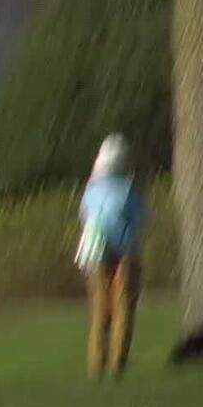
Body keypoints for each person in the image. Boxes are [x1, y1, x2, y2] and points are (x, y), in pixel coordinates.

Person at [77, 134, 147, 379]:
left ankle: (96, 364)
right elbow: (142, 219)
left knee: (99, 309)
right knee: (123, 307)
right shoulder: (129, 189)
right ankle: (117, 365)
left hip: (94, 250)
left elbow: (84, 215)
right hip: (125, 250)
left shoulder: (90, 190)